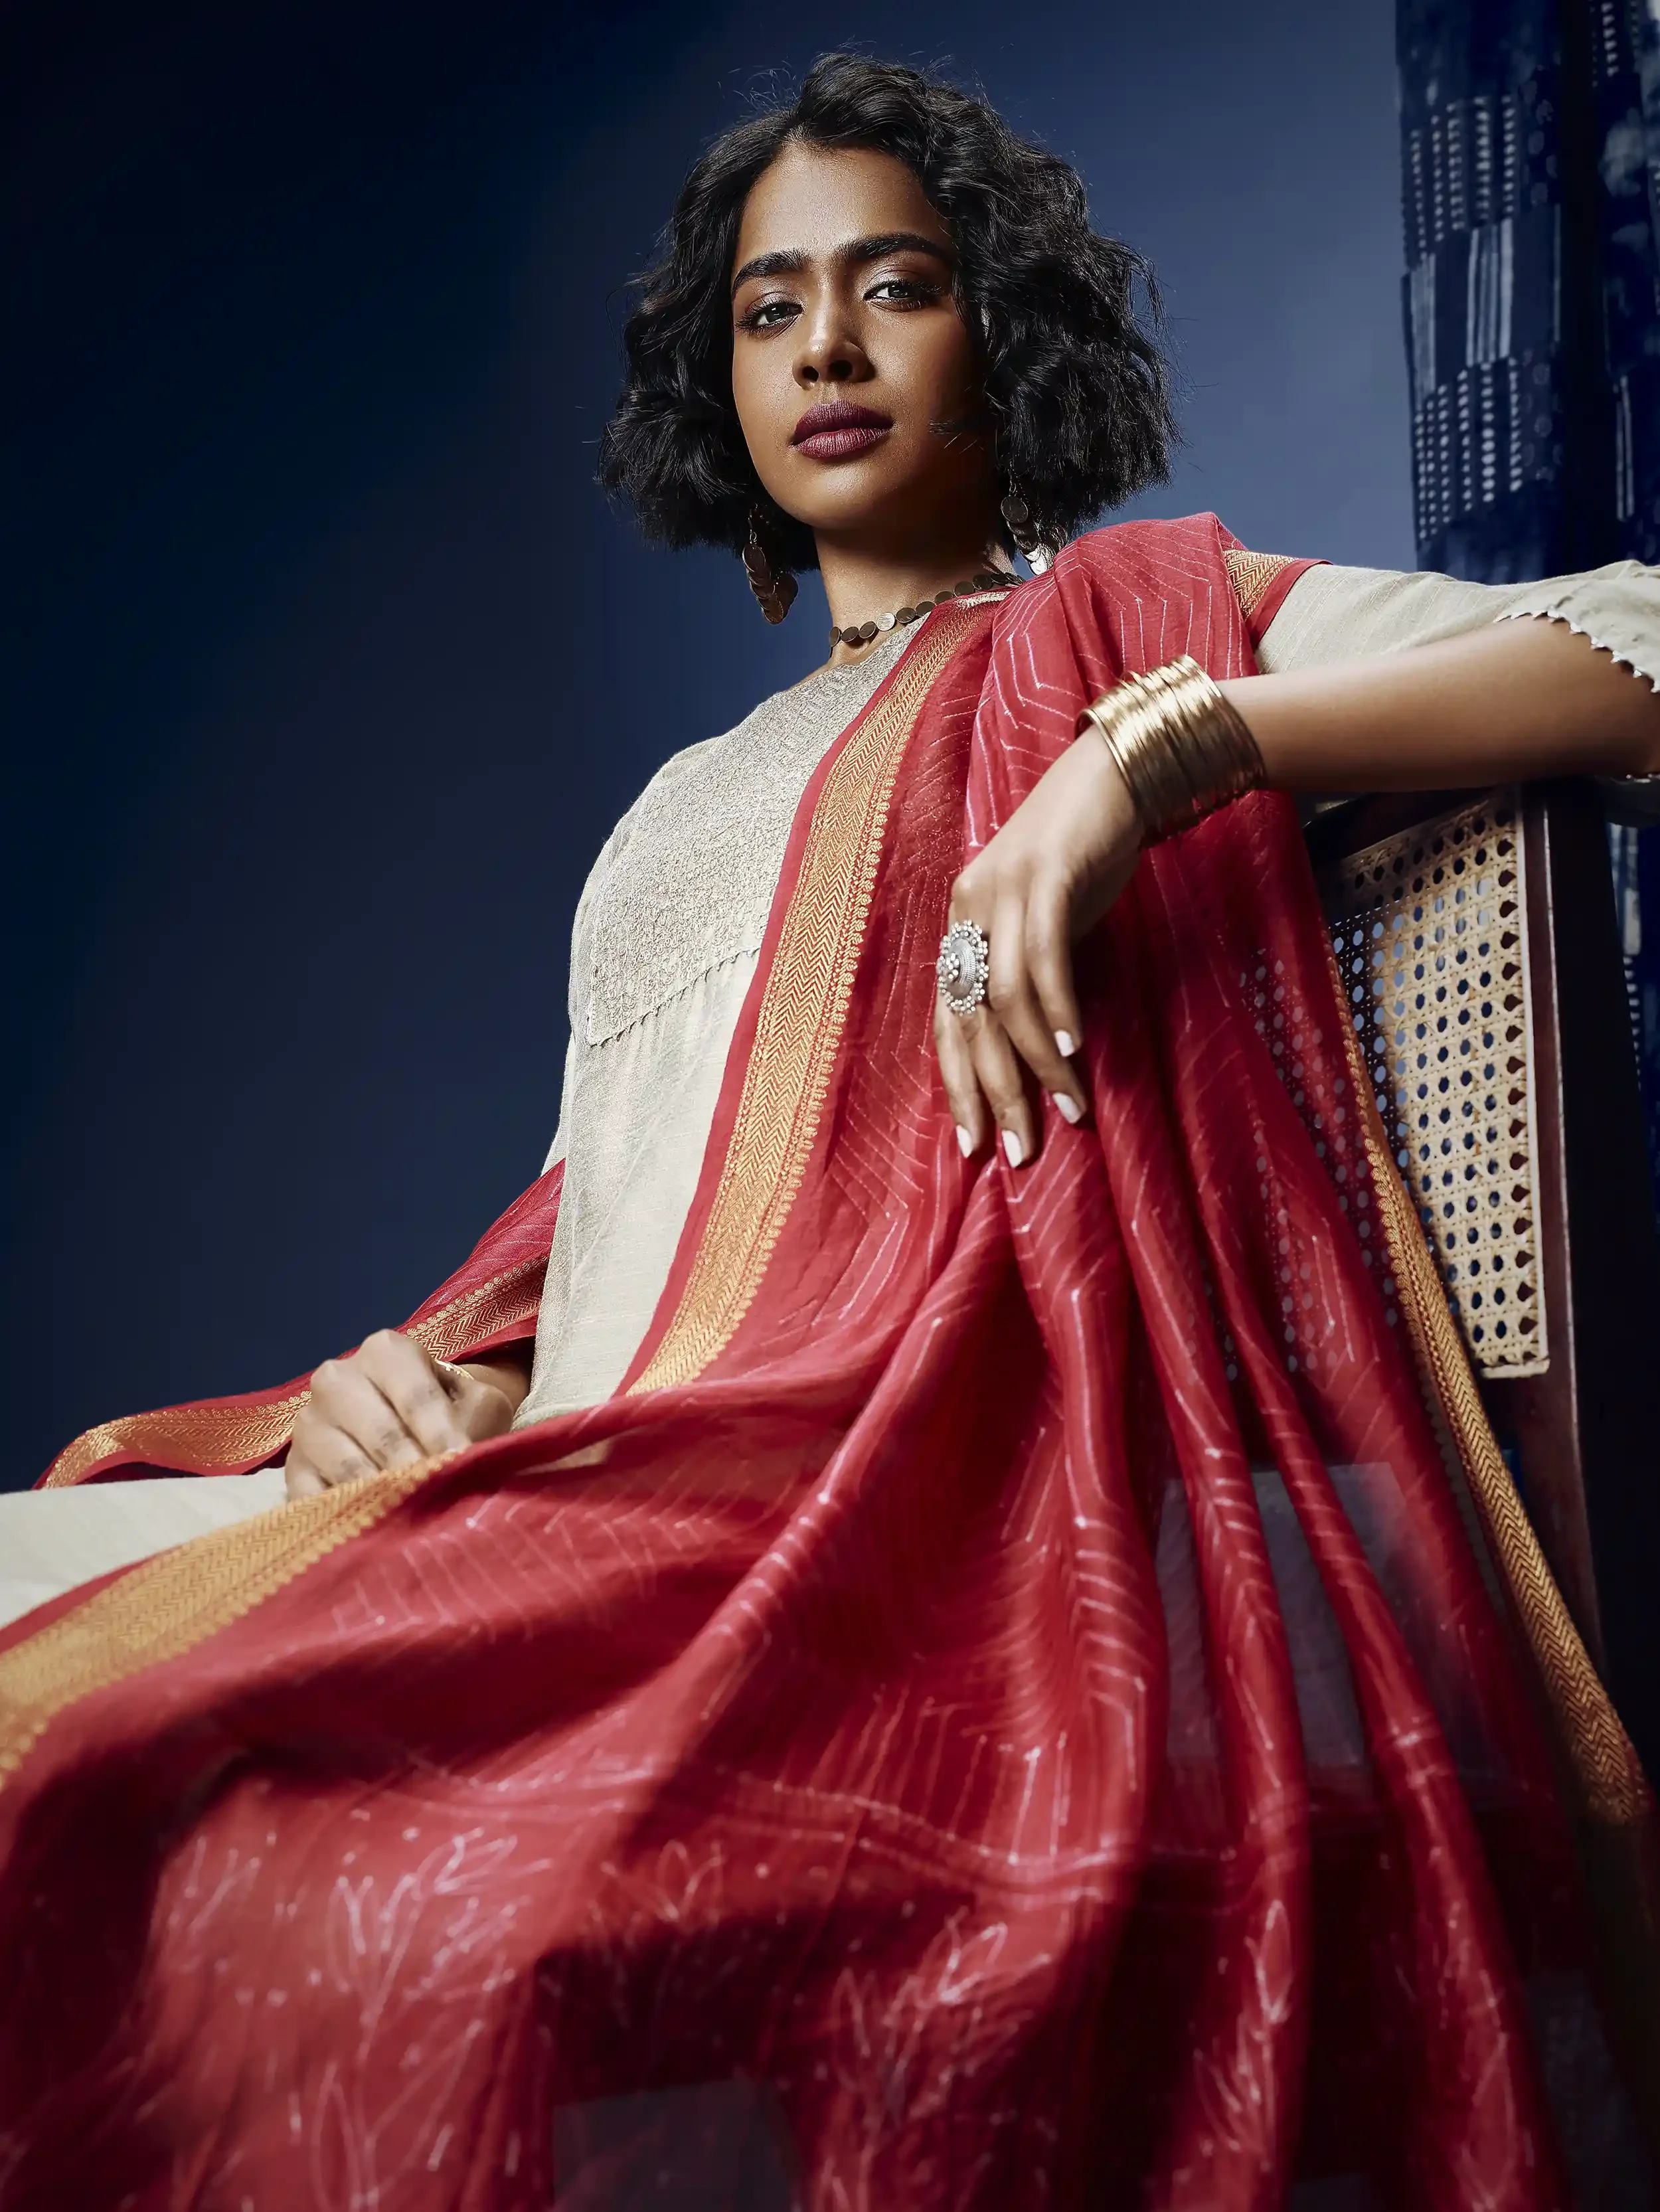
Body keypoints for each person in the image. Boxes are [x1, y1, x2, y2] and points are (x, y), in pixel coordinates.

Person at [2, 52, 1659, 2210]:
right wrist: (430, 1372)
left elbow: (1635, 646)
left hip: (853, 1506)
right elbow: (631, 1237)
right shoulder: (673, 810)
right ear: (722, 387)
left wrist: (1160, 753)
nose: (831, 352)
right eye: (772, 310)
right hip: (593, 1474)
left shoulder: (1114, 636)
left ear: (1008, 336)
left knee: (160, 1783)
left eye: (896, 288)